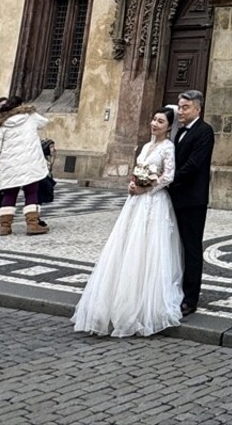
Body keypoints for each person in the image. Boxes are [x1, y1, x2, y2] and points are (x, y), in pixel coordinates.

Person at [72, 107, 183, 338]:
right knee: (126, 243)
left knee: (147, 246)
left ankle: (143, 301)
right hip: (135, 202)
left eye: (160, 121)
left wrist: (147, 187)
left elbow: (168, 176)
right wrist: (132, 183)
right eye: (153, 119)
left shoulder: (168, 147)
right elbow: (139, 169)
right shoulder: (146, 146)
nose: (154, 124)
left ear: (169, 127)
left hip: (153, 202)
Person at [167, 91, 214, 317]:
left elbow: (194, 165)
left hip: (193, 199)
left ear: (197, 109)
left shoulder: (204, 131)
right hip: (176, 196)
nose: (180, 111)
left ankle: (191, 298)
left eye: (185, 107)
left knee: (192, 248)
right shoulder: (178, 133)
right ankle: (175, 289)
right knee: (175, 246)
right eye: (180, 106)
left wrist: (168, 180)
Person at [0, 95, 50, 236]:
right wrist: (29, 111)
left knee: (9, 194)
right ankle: (32, 224)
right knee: (31, 193)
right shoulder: (30, 117)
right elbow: (44, 122)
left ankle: (5, 227)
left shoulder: (1, 123)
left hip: (8, 165)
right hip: (29, 163)